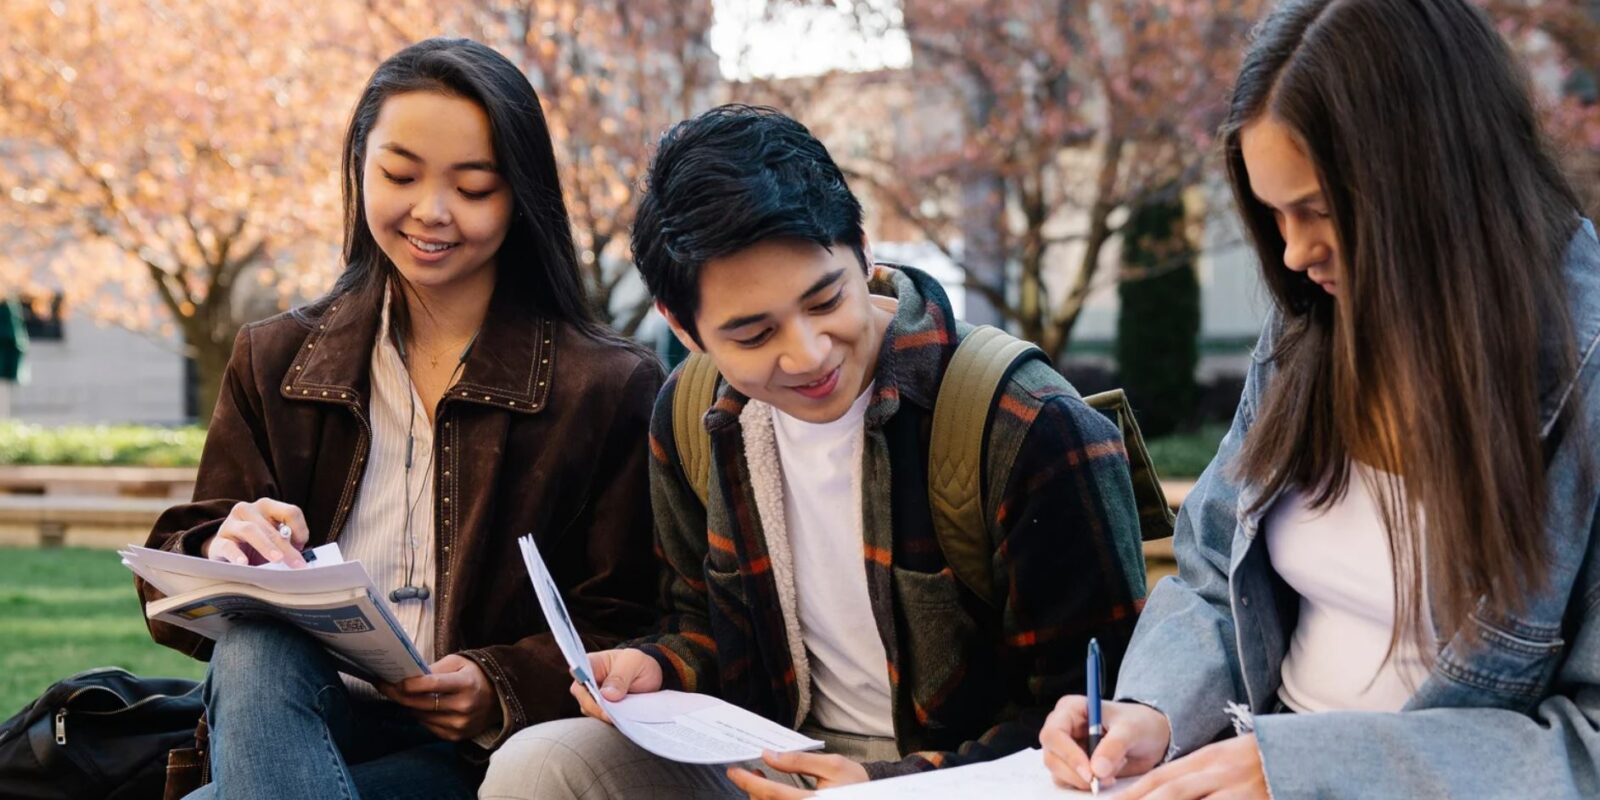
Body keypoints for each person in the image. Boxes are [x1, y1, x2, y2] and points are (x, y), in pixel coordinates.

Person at [475, 105, 1148, 800]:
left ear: (861, 250)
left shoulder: (1025, 423)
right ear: (684, 326)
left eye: (825, 301)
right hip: (773, 762)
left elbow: (1099, 721)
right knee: (541, 766)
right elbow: (699, 621)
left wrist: (884, 785)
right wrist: (661, 667)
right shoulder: (693, 416)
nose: (807, 353)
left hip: (960, 781)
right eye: (753, 333)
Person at [1038, 0, 1600, 797]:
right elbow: (1211, 576)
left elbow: (1589, 748)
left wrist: (1301, 770)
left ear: (1435, 177)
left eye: (1322, 213)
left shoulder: (1590, 374)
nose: (1296, 253)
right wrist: (1153, 710)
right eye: (1275, 216)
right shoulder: (1315, 321)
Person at [134, 38, 664, 800]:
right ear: (360, 167)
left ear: (521, 196)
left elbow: (631, 617)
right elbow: (177, 582)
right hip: (299, 716)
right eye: (399, 174)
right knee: (254, 644)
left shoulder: (606, 385)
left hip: (481, 754)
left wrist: (498, 681)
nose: (431, 212)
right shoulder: (276, 359)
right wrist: (226, 543)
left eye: (474, 187)